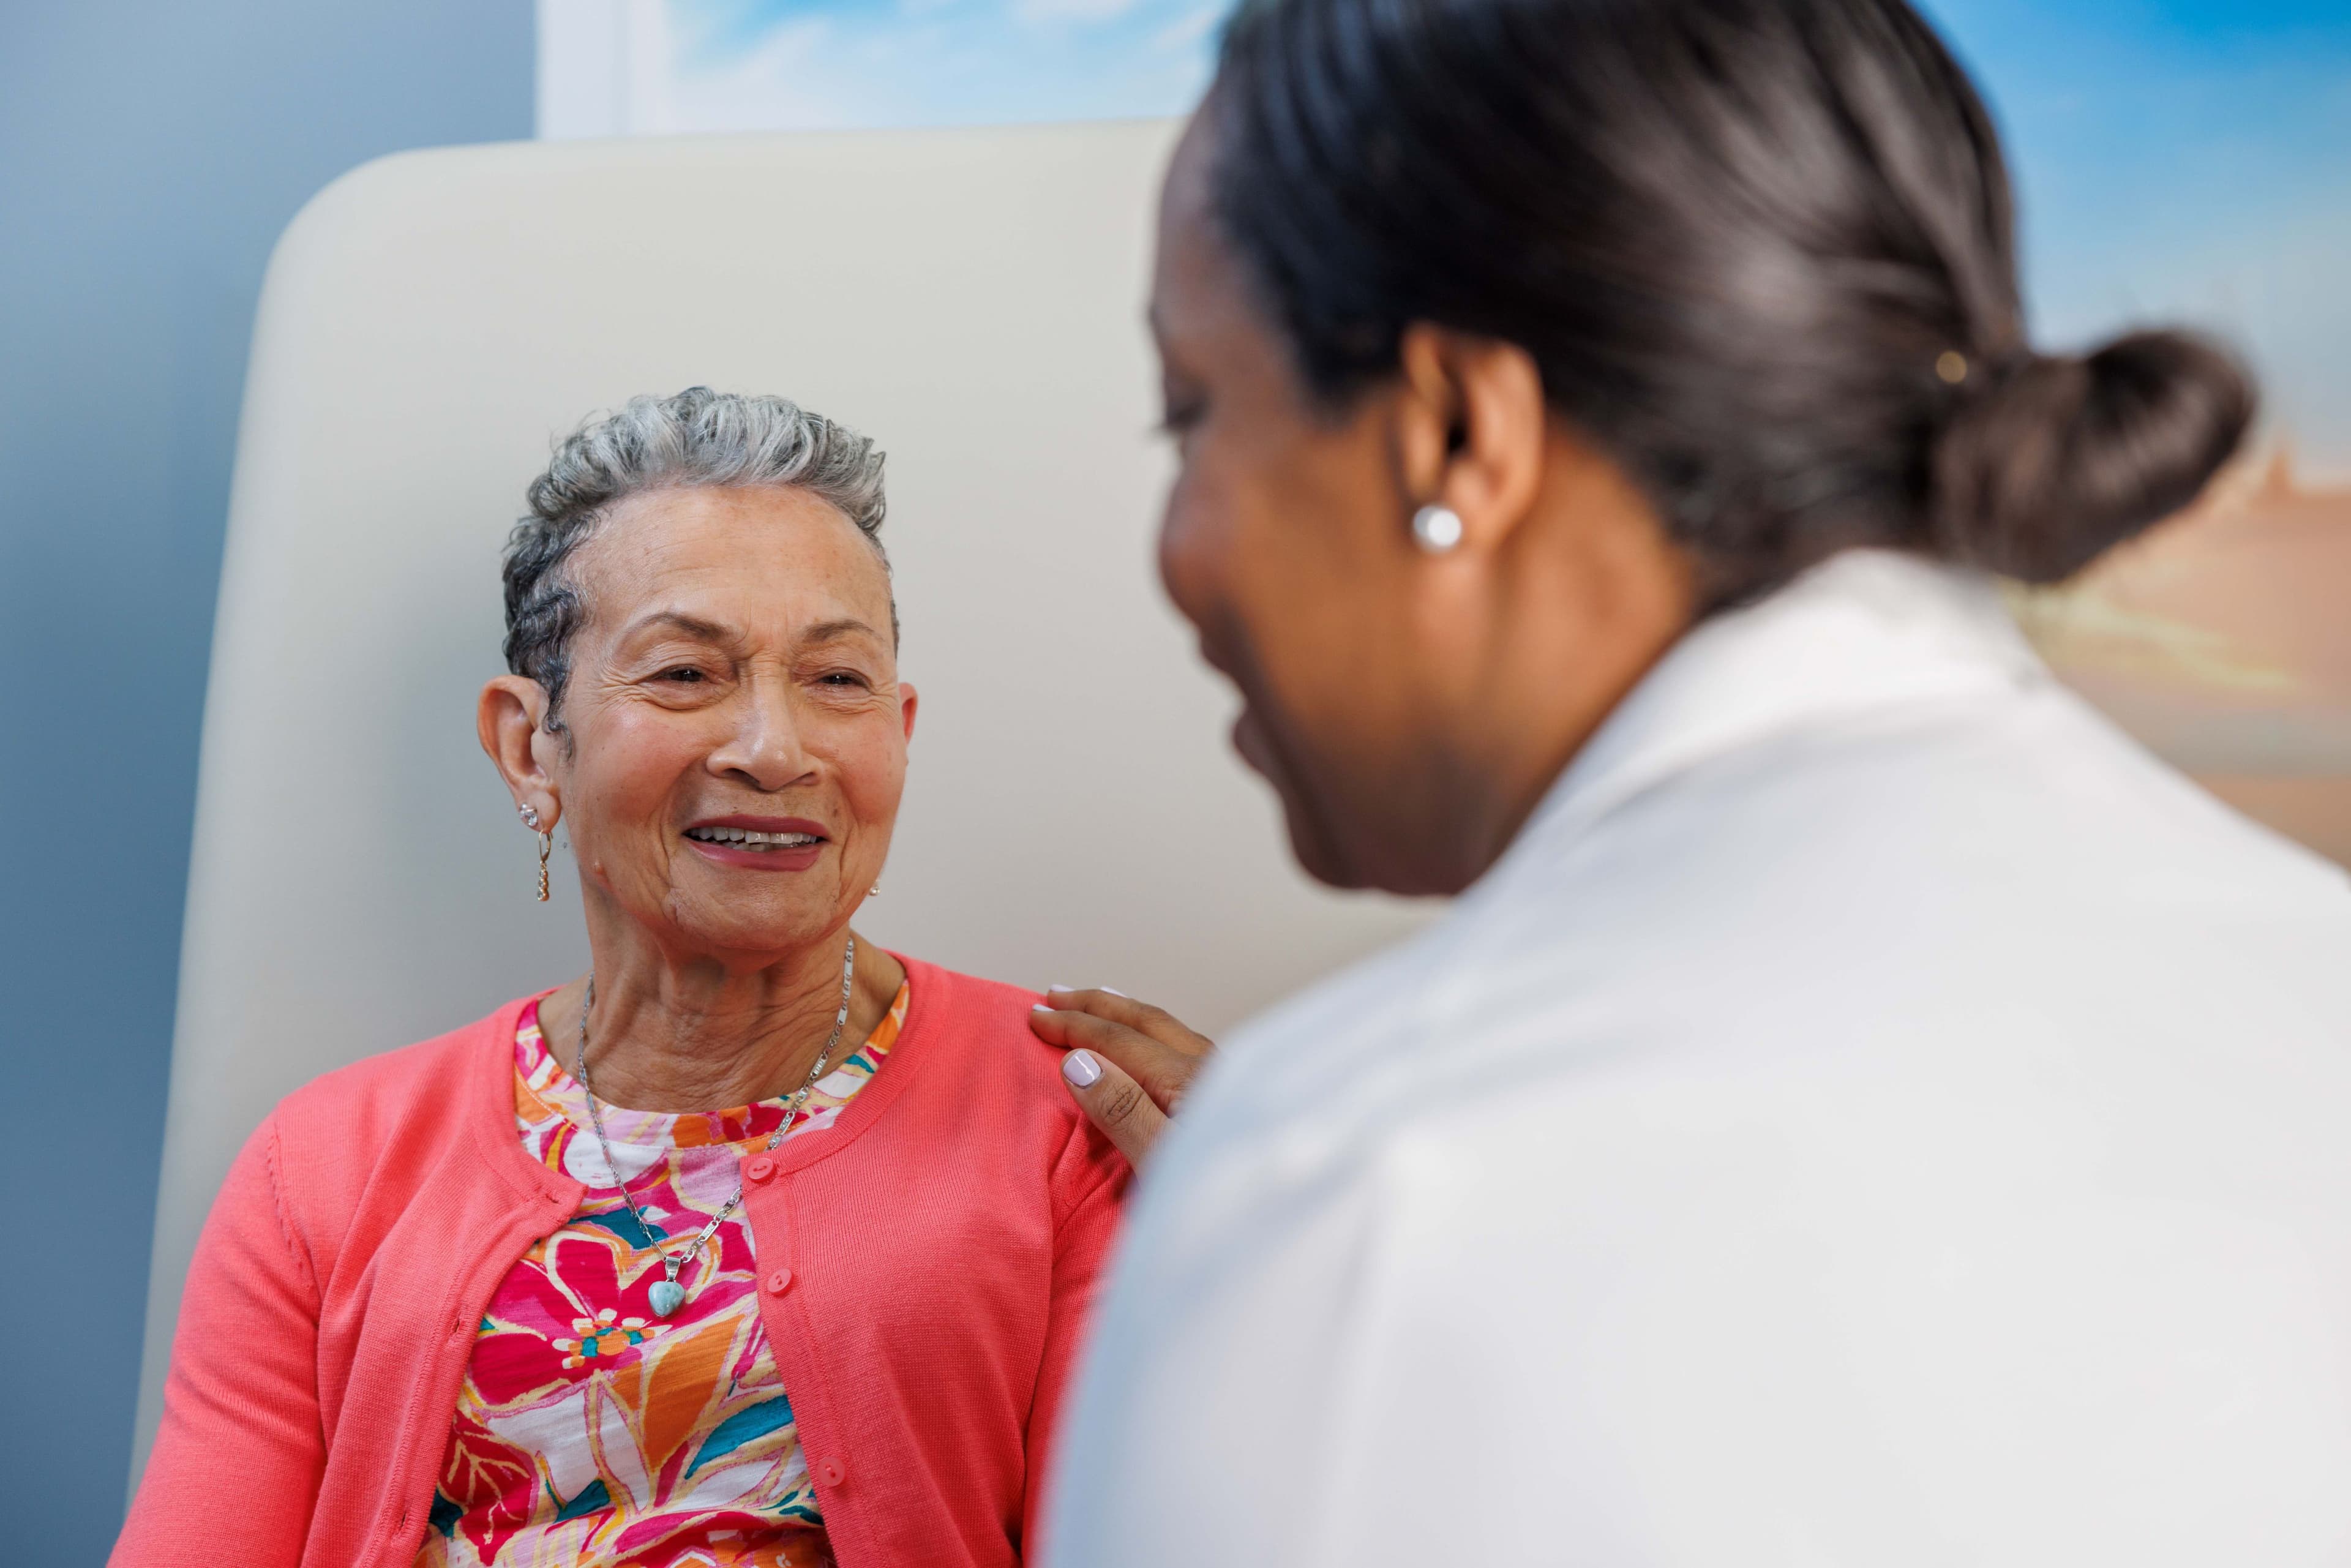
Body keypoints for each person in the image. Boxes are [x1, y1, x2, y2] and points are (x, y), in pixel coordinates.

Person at [1027, 0, 2351, 1560]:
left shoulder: (1377, 1182)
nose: (1175, 544)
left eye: (1195, 413)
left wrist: (1271, 1248)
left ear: (1458, 439)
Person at [117, 389, 1128, 1568]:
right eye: (688, 673)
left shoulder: (1069, 1121)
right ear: (529, 746)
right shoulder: (325, 1168)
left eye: (837, 681)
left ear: (899, 728)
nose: (774, 747)